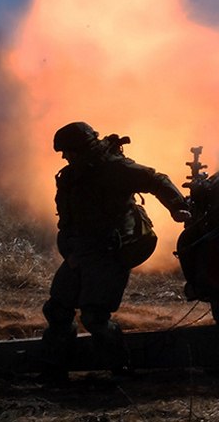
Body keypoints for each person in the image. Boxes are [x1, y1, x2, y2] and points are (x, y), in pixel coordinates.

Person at [40, 121, 191, 381]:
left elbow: (156, 179)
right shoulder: (69, 179)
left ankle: (119, 368)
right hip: (80, 252)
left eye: (68, 151)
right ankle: (55, 370)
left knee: (95, 317)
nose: (65, 157)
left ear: (81, 149)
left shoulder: (114, 169)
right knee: (57, 310)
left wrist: (177, 207)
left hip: (111, 251)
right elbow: (66, 223)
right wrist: (69, 252)